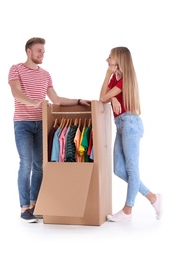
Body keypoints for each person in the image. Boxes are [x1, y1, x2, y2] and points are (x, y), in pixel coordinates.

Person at [8, 37, 91, 223]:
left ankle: (35, 205)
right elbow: (16, 93)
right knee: (26, 163)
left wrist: (78, 101)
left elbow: (57, 99)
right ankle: (24, 208)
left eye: (43, 51)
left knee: (39, 165)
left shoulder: (45, 74)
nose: (42, 54)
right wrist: (35, 102)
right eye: (39, 51)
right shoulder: (16, 69)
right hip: (23, 124)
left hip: (41, 123)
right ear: (29, 51)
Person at [99, 47, 162, 222]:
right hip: (120, 125)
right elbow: (101, 97)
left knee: (132, 169)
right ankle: (153, 197)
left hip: (130, 124)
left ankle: (128, 210)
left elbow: (103, 98)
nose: (107, 60)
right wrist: (110, 91)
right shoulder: (114, 78)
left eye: (110, 57)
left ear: (119, 59)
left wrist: (109, 97)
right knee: (118, 169)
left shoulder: (125, 79)